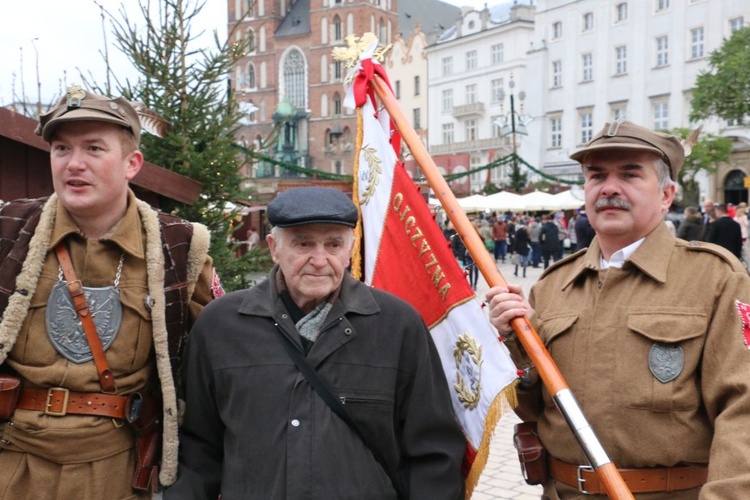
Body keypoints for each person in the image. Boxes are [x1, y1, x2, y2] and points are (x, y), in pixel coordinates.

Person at [486, 120, 750, 499]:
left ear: (666, 194)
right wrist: (516, 343)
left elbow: (743, 409)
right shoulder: (553, 285)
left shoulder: (714, 278)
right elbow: (532, 408)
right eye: (596, 176)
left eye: (629, 174)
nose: (609, 187)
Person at [165, 187, 466, 499]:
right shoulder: (220, 326)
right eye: (303, 243)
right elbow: (199, 451)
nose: (319, 260)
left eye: (333, 244)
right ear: (274, 248)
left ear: (350, 249)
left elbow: (433, 453)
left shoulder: (397, 325)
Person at [0, 86, 219, 498]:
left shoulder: (179, 247)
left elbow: (223, 359)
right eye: (61, 149)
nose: (73, 164)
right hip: (11, 468)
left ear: (132, 163)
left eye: (94, 149)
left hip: (116, 474)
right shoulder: (9, 229)